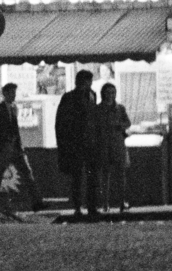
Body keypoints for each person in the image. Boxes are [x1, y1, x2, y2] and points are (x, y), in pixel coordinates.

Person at [0, 83, 46, 211]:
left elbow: (14, 129)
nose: (14, 95)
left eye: (14, 93)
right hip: (7, 146)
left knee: (25, 173)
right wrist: (0, 143)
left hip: (14, 147)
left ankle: (37, 202)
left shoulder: (13, 108)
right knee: (0, 174)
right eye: (12, 93)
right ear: (5, 94)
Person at [54, 70, 98, 217]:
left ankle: (88, 206)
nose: (89, 84)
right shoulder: (71, 97)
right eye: (88, 81)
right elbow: (62, 122)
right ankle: (81, 206)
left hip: (88, 143)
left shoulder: (91, 95)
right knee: (79, 176)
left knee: (85, 176)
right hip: (77, 143)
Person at [90, 83, 132, 212]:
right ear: (103, 94)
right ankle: (105, 203)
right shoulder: (98, 109)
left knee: (121, 175)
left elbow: (128, 122)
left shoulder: (120, 108)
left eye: (113, 92)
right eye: (108, 92)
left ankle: (121, 202)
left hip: (118, 144)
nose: (111, 95)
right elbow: (94, 126)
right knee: (105, 175)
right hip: (103, 145)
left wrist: (119, 125)